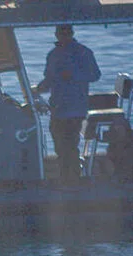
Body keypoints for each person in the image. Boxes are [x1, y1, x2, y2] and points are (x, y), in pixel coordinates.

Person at [34, 24, 101, 186]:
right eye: (61, 32)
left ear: (72, 33)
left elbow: (95, 75)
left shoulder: (83, 52)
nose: (64, 35)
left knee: (70, 144)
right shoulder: (53, 55)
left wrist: (73, 75)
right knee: (59, 144)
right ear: (56, 34)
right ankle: (65, 177)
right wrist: (36, 90)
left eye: (67, 32)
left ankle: (73, 179)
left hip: (75, 108)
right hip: (57, 108)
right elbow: (49, 80)